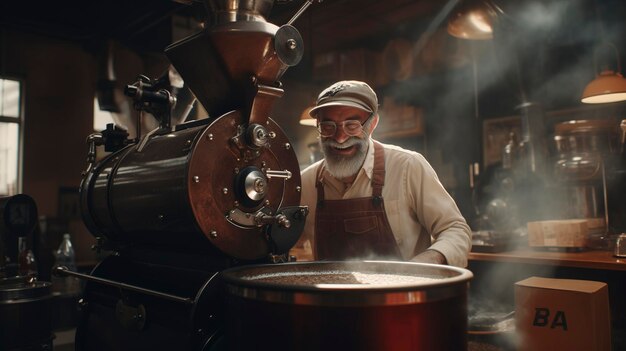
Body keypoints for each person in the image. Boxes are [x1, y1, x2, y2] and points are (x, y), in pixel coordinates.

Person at [295, 80, 472, 267]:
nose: (340, 138)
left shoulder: (407, 167)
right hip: (332, 296)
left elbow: (456, 230)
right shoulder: (306, 182)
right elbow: (282, 242)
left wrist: (426, 263)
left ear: (372, 125)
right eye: (329, 126)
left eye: (352, 125)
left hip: (402, 295)